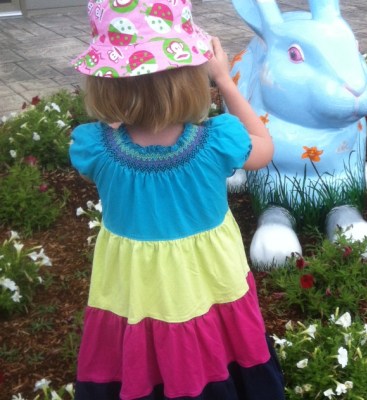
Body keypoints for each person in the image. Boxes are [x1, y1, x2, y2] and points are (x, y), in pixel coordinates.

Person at [68, 1, 285, 399]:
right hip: (211, 285)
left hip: (136, 292)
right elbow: (264, 148)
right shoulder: (218, 142)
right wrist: (226, 81)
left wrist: (127, 98)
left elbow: (110, 133)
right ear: (193, 77)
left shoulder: (96, 149)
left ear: (105, 81)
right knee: (210, 339)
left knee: (146, 336)